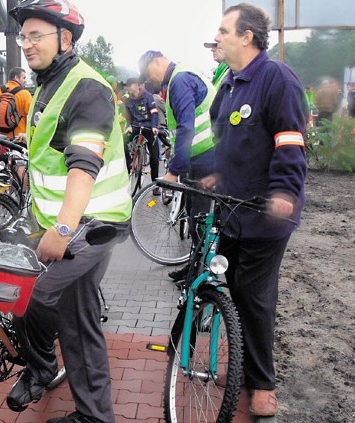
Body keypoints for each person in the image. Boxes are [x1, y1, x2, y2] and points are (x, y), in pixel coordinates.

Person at [5, 2, 132, 422]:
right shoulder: (47, 84)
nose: (26, 44)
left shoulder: (86, 87)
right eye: (23, 36)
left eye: (35, 35)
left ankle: (42, 370)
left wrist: (61, 228)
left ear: (65, 38)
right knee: (74, 319)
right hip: (59, 219)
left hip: (92, 222)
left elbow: (84, 165)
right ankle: (93, 413)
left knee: (37, 297)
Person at [202, 3, 307, 417]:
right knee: (234, 290)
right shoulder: (229, 83)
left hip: (267, 213)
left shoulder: (276, 79)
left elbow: (290, 141)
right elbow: (220, 136)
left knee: (254, 294)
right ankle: (246, 367)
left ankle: (262, 383)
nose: (219, 38)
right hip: (232, 210)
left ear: (247, 37)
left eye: (224, 31)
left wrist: (284, 191)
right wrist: (208, 172)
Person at [138, 50, 217, 283]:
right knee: (195, 215)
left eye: (146, 73)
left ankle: (202, 275)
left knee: (199, 218)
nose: (146, 79)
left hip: (205, 157)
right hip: (202, 156)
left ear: (157, 61)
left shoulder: (180, 80)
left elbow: (186, 127)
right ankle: (194, 267)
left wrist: (174, 171)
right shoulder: (180, 77)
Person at [122, 77, 161, 189]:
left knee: (154, 157)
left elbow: (154, 112)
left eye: (130, 85)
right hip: (135, 127)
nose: (128, 88)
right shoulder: (128, 100)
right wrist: (128, 125)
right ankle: (130, 163)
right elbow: (128, 116)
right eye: (127, 86)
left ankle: (155, 186)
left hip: (148, 127)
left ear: (137, 85)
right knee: (122, 142)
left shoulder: (148, 97)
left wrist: (154, 126)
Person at [0, 66, 33, 141]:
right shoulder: (25, 94)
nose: (25, 81)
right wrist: (29, 135)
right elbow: (30, 115)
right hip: (18, 139)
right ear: (16, 77)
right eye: (23, 78)